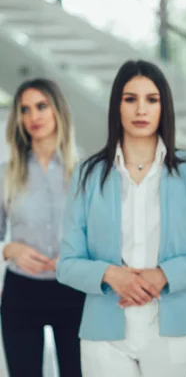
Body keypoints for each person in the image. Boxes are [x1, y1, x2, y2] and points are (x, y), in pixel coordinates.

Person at [56, 60, 186, 377]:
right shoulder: (88, 173)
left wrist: (164, 274)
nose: (141, 109)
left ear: (164, 106)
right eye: (130, 98)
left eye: (151, 99)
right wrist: (112, 275)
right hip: (105, 335)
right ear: (117, 105)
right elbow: (67, 263)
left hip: (179, 330)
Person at [0, 78, 84, 377]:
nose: (33, 116)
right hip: (21, 292)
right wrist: (9, 248)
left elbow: (102, 234)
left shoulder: (85, 172)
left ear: (57, 110)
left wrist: (78, 256)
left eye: (41, 106)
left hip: (74, 290)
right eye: (25, 109)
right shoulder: (5, 174)